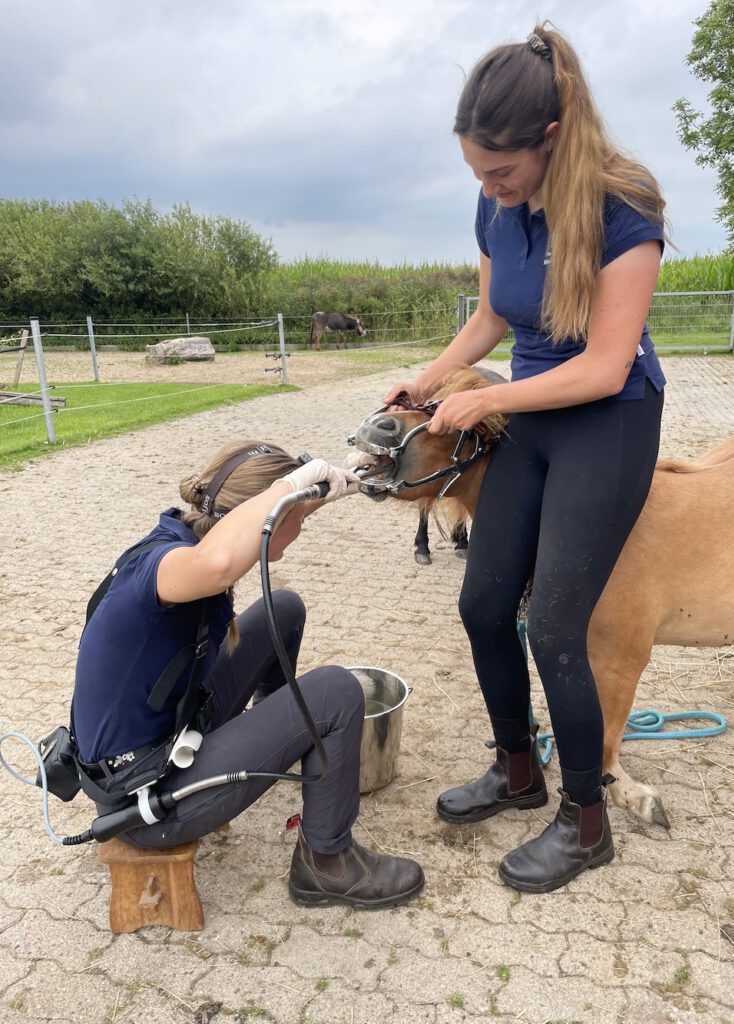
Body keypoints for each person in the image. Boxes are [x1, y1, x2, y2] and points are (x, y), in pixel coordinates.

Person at [383, 24, 667, 893]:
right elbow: (493, 319)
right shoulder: (495, 203)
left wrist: (489, 396)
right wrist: (429, 380)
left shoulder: (627, 206)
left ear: (552, 137)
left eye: (500, 172)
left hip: (609, 414)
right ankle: (516, 769)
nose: (489, 191)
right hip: (536, 412)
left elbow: (606, 363)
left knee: (553, 626)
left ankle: (587, 821)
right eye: (476, 173)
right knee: (481, 602)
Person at [71, 441, 425, 909]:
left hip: (170, 732)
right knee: (335, 691)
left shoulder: (185, 533)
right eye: (294, 516)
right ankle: (326, 862)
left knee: (283, 608)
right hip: (144, 803)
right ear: (265, 519)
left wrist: (339, 483)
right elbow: (220, 562)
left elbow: (259, 527)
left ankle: (284, 743)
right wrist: (290, 487)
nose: (301, 526)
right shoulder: (168, 570)